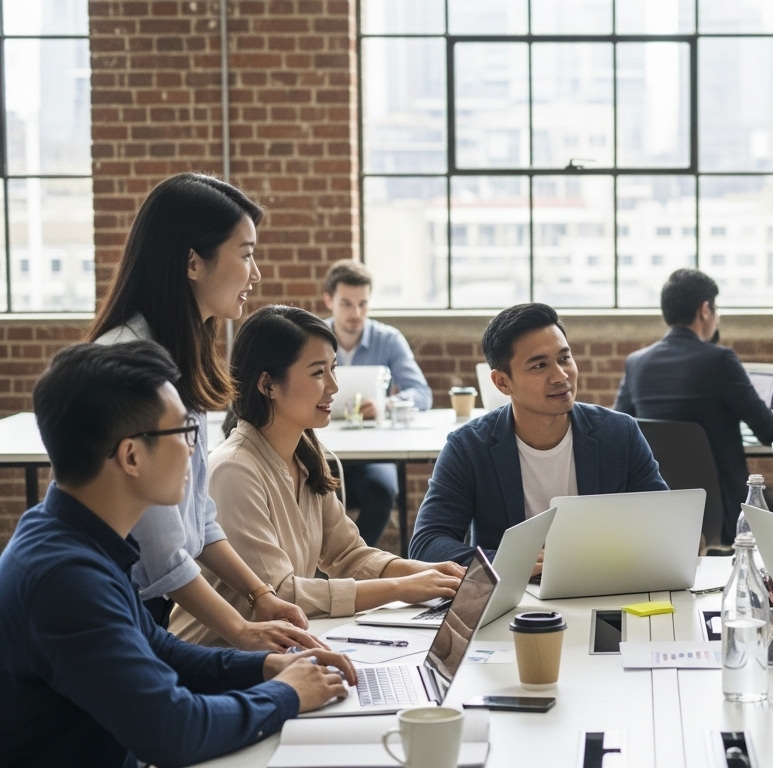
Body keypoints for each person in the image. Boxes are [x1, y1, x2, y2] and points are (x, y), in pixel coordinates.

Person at [0, 341, 355, 767]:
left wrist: (266, 668)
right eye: (184, 432)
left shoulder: (72, 534)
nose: (193, 450)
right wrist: (287, 694)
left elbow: (160, 651)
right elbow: (173, 730)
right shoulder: (66, 578)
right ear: (131, 455)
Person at [87, 172, 323, 652]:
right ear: (194, 262)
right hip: (109, 608)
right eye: (247, 253)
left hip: (143, 605)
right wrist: (241, 629)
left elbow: (196, 516)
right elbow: (161, 550)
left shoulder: (176, 354)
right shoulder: (130, 364)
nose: (255, 274)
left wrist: (260, 596)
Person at [170, 306, 466, 646]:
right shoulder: (234, 470)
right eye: (317, 373)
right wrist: (400, 588)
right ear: (267, 384)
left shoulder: (306, 458)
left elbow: (349, 555)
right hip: (214, 662)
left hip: (276, 650)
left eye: (333, 369)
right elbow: (282, 595)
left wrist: (430, 573)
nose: (334, 386)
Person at [410, 303, 668, 565]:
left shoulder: (619, 433)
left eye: (564, 358)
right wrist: (516, 562)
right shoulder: (468, 448)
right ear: (503, 382)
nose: (560, 376)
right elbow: (427, 544)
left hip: (603, 585)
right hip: (513, 597)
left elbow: (664, 524)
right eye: (539, 366)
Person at [614, 268, 773, 543]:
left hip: (657, 504)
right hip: (722, 508)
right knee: (770, 497)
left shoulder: (636, 363)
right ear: (705, 310)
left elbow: (618, 432)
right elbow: (768, 431)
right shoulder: (720, 361)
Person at [321, 258, 433, 546]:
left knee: (382, 491)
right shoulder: (312, 338)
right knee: (306, 489)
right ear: (328, 301)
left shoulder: (389, 340)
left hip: (374, 452)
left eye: (363, 304)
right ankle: (318, 569)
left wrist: (385, 405)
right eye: (346, 303)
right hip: (321, 449)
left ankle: (355, 564)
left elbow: (421, 393)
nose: (356, 313)